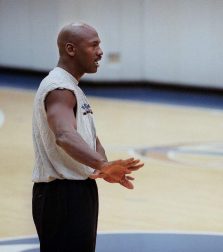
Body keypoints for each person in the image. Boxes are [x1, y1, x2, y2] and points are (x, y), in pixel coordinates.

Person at [32, 22, 144, 251]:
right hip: (62, 196)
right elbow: (64, 135)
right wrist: (102, 163)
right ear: (71, 49)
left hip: (76, 192)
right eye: (94, 45)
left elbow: (88, 137)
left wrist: (103, 168)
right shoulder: (59, 89)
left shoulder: (71, 88)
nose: (100, 52)